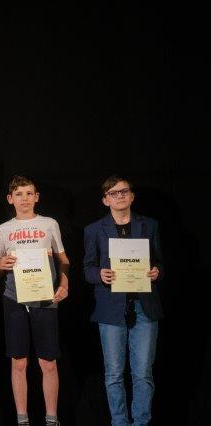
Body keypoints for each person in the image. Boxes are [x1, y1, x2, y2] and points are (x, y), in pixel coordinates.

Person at [83, 175, 163, 426]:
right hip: (111, 308)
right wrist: (99, 274)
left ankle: (141, 422)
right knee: (114, 374)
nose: (120, 196)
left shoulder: (149, 225)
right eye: (113, 193)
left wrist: (157, 271)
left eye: (124, 191)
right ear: (105, 200)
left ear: (132, 196)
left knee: (143, 373)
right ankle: (119, 422)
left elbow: (159, 261)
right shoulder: (94, 230)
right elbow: (87, 268)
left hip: (144, 306)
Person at [0, 175, 69, 426]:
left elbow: (63, 259)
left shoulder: (49, 224)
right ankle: (22, 419)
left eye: (29, 193)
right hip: (14, 298)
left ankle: (52, 418)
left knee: (48, 362)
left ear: (36, 197)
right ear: (10, 199)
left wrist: (65, 283)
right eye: (19, 194)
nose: (24, 198)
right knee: (18, 361)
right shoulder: (4, 229)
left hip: (45, 296)